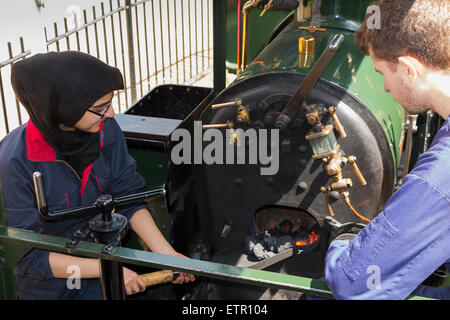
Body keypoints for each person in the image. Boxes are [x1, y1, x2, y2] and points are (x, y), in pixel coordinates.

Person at [0, 51, 195, 299]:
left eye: (111, 102)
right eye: (101, 107)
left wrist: (165, 253)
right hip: (51, 286)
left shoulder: (105, 130)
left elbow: (129, 195)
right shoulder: (13, 163)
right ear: (66, 109)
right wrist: (105, 270)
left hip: (101, 262)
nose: (112, 113)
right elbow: (26, 255)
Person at [324, 0, 449, 300]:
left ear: (409, 69)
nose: (385, 89)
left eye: (382, 73)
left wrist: (342, 239)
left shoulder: (440, 175)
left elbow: (352, 281)